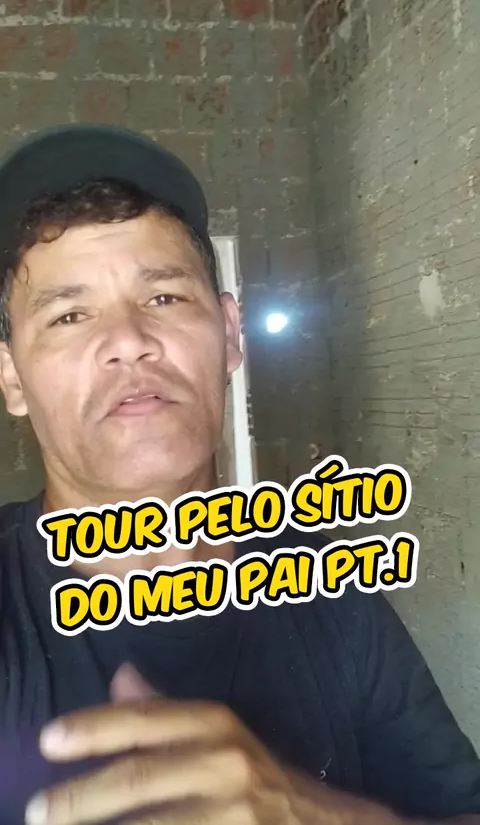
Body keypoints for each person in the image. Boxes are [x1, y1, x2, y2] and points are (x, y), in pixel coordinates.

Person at [0, 124, 479, 825]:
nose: (128, 341)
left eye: (164, 298)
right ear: (11, 376)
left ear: (229, 334)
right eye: (70, 315)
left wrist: (317, 815)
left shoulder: (334, 597)